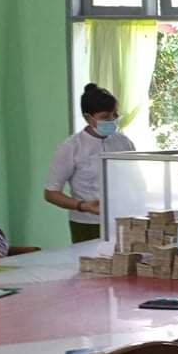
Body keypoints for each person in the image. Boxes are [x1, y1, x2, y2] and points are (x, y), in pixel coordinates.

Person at [44, 83, 135, 243]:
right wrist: (82, 206)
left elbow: (135, 180)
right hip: (87, 224)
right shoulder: (71, 147)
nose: (112, 120)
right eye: (105, 117)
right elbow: (51, 194)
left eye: (115, 114)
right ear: (88, 118)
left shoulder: (124, 142)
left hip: (122, 219)